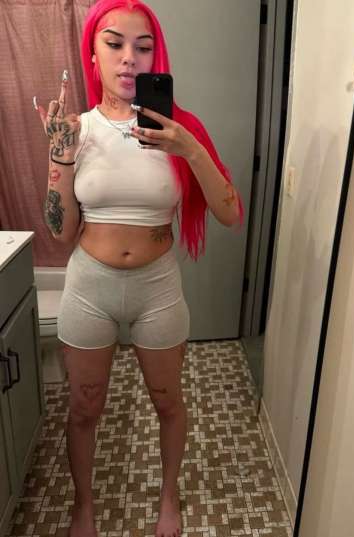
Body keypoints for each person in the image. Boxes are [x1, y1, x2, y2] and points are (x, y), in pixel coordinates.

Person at [35, 1, 244, 536]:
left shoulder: (179, 128)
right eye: (114, 44)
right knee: (84, 407)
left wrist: (190, 148)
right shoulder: (78, 130)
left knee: (168, 401)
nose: (129, 58)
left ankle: (168, 497)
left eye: (143, 47)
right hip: (90, 286)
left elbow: (230, 214)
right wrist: (59, 156)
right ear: (93, 54)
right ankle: (84, 505)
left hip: (157, 287)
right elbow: (60, 232)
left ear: (156, 57)